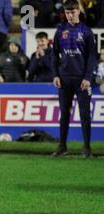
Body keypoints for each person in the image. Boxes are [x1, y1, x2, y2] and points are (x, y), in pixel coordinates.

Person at [52, 0, 97, 158]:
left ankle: (86, 148)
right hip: (64, 80)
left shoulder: (86, 31)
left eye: (73, 12)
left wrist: (88, 78)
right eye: (67, 12)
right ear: (65, 13)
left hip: (82, 81)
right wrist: (56, 75)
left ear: (79, 12)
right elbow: (54, 55)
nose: (70, 15)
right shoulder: (60, 31)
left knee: (85, 114)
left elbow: (92, 58)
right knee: (64, 114)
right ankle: (62, 146)